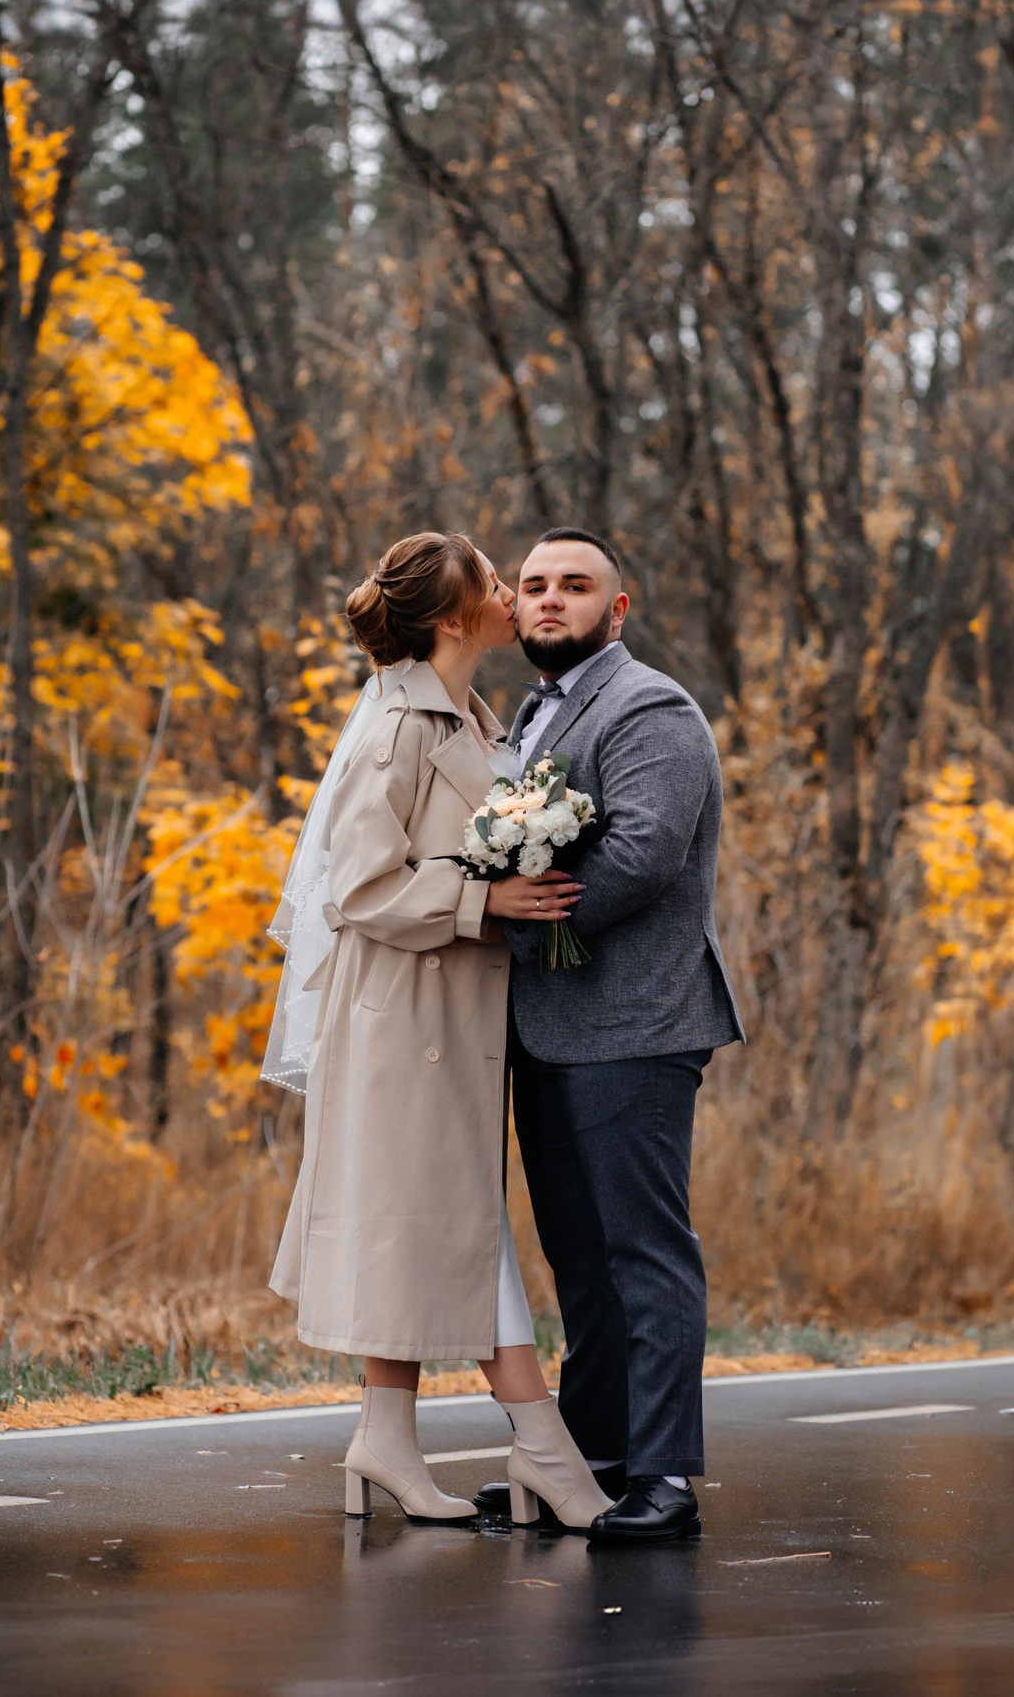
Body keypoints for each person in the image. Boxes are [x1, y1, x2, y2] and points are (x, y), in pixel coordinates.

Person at [262, 530, 613, 1533]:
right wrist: (490, 903)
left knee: (428, 1230)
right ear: (458, 617)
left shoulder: (462, 708)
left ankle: (386, 1439)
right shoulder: (395, 728)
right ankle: (544, 1447)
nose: (517, 596)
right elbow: (361, 888)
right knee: (456, 1228)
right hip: (398, 1021)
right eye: (501, 585)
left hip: (446, 1015)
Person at [476, 526, 745, 1543]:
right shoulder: (530, 719)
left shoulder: (650, 707)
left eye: (574, 587)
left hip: (636, 1025)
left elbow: (642, 853)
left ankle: (666, 1479)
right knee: (579, 1264)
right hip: (546, 1029)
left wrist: (511, 906)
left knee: (644, 1255)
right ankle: (589, 1469)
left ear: (615, 610)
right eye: (535, 586)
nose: (548, 601)